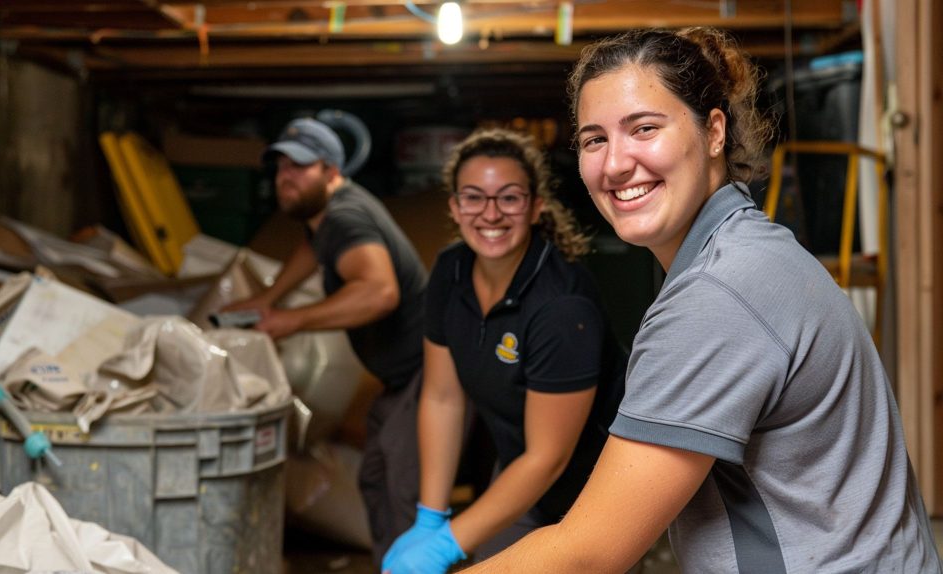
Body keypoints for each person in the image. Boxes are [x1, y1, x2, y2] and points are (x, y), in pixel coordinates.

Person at [462, 27, 941, 573]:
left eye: (643, 128)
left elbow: (589, 554)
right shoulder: (754, 250)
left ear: (714, 131)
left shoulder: (719, 294)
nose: (615, 163)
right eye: (595, 139)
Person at [381, 128, 626, 574]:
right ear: (455, 208)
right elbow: (442, 397)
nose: (490, 214)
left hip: (598, 492)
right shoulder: (451, 271)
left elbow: (548, 457)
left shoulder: (561, 306)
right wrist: (431, 519)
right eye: (473, 198)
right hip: (521, 471)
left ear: (535, 207)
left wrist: (447, 545)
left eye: (509, 198)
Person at [225, 117, 428, 565]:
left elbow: (380, 292)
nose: (286, 178)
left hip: (427, 375)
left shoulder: (345, 216)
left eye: (300, 167)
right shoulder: (327, 219)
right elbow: (312, 248)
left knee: (399, 488)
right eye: (280, 168)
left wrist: (289, 320)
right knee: (376, 477)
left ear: (332, 172)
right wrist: (267, 298)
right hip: (403, 377)